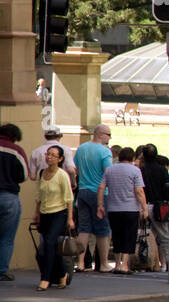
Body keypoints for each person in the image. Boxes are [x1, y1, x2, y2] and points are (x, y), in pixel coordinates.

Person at [31, 145, 75, 290]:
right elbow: (39, 195)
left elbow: (69, 198)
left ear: (60, 159)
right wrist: (37, 213)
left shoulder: (62, 175)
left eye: (53, 155)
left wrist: (70, 218)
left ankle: (45, 279)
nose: (49, 157)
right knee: (49, 247)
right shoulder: (42, 173)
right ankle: (62, 275)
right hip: (45, 214)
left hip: (59, 213)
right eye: (48, 154)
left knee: (50, 242)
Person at [98, 146, 146, 274]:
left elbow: (101, 187)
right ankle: (125, 265)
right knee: (129, 236)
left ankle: (117, 263)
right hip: (131, 209)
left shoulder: (110, 170)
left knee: (117, 235)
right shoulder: (135, 171)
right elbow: (139, 191)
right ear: (132, 158)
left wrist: (100, 205)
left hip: (113, 209)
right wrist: (144, 207)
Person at [73, 124, 114, 272]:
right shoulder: (105, 152)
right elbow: (108, 173)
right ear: (100, 134)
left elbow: (75, 169)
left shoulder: (81, 148)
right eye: (109, 135)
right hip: (100, 194)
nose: (109, 138)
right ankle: (103, 263)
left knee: (83, 228)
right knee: (102, 229)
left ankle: (81, 262)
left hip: (83, 191)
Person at [0, 123, 28, 282]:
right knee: (6, 236)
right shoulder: (16, 151)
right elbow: (24, 175)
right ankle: (2, 270)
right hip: (9, 197)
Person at [139, 144, 169, 272]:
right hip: (160, 206)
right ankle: (168, 262)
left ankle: (150, 261)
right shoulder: (162, 170)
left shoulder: (141, 170)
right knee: (164, 235)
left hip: (145, 204)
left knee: (147, 234)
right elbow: (167, 188)